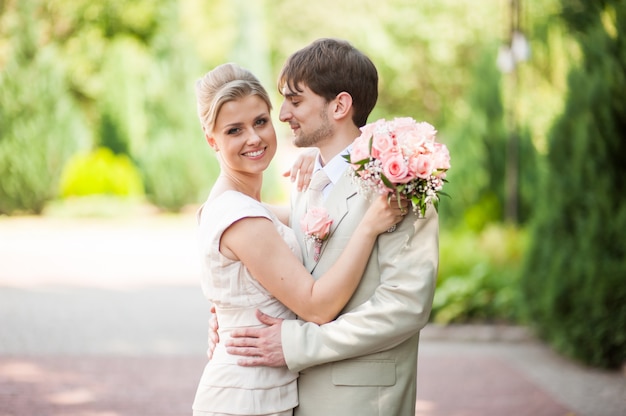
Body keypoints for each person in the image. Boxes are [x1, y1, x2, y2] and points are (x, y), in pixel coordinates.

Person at [223, 38, 439, 416]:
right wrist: (231, 319)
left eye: (296, 100)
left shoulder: (398, 182)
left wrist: (296, 345)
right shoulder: (308, 178)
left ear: (339, 105)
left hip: (361, 399)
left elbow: (405, 307)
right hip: (294, 396)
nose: (283, 113)